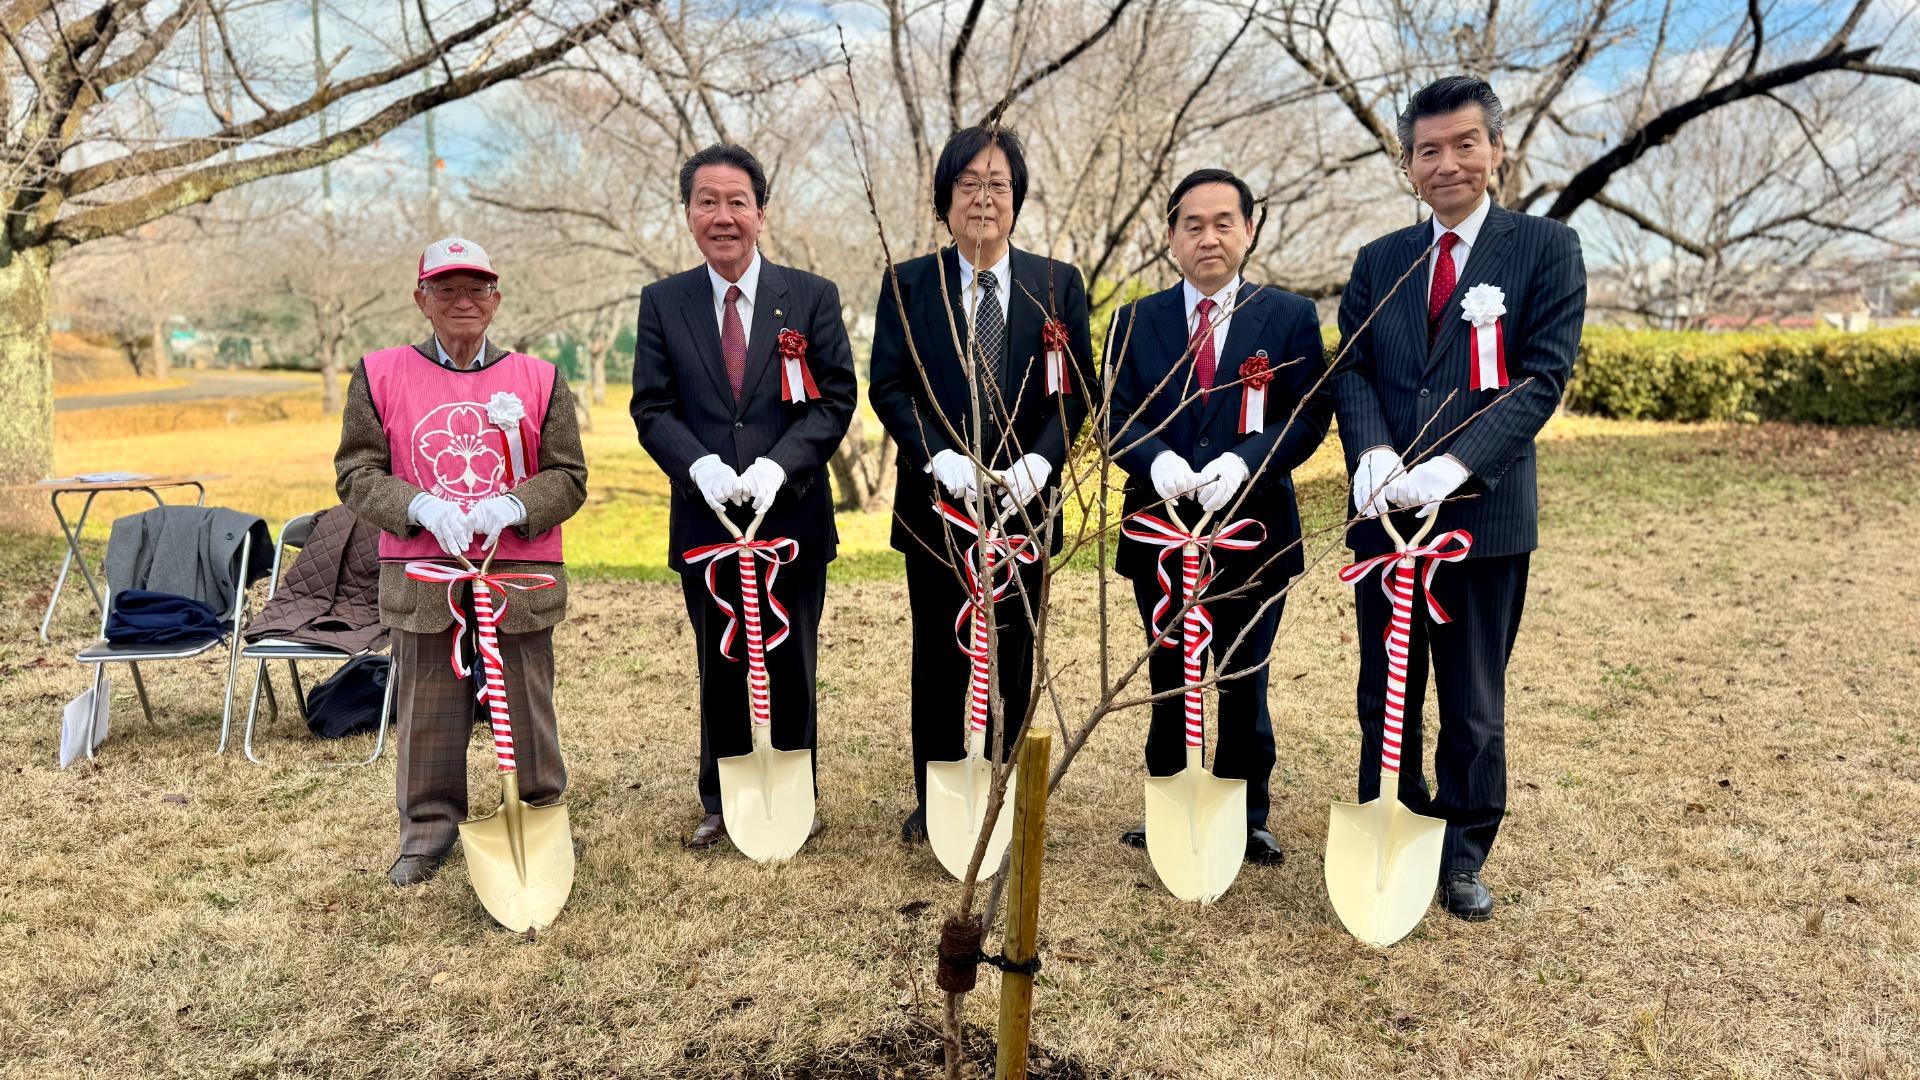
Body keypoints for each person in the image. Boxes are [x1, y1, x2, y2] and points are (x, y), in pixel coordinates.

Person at [1334, 75, 1586, 920]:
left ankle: (1465, 845)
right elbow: (1356, 369)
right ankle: (1392, 815)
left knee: (1474, 702)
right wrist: (1370, 452)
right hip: (1385, 518)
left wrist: (1454, 467)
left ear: (1496, 149)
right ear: (1408, 164)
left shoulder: (1546, 248)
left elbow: (1542, 377)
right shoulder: (1380, 262)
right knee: (1386, 687)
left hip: (1482, 516)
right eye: (1428, 150)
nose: (1447, 164)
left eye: (1464, 144)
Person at [335, 236, 589, 887]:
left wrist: (516, 504)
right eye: (446, 289)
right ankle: (428, 829)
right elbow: (356, 473)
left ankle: (538, 815)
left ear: (496, 299)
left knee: (527, 702)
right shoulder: (378, 374)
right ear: (421, 298)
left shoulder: (541, 378)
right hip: (425, 571)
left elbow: (569, 476)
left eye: (476, 289)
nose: (462, 301)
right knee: (428, 703)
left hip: (518, 571)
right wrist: (419, 505)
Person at [867, 125, 1093, 844]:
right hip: (936, 505)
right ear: (945, 200)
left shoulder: (1057, 284)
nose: (984, 199)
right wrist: (939, 457)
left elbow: (1077, 391)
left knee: (1013, 649)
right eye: (968, 185)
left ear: (1017, 198)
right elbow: (889, 386)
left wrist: (1039, 462)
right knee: (938, 650)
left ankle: (1000, 787)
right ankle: (936, 794)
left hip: (1024, 505)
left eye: (998, 184)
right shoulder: (908, 283)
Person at [629, 144, 857, 851]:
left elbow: (836, 398)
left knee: (791, 658)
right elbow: (652, 407)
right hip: (706, 516)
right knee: (719, 658)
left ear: (760, 212)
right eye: (707, 202)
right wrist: (697, 467)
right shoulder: (665, 302)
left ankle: (794, 792)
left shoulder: (811, 296)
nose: (722, 216)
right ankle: (721, 798)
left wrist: (775, 468)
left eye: (736, 202)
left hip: (788, 514)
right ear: (688, 213)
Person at [1105, 168, 1332, 865]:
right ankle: (1171, 797)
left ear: (1249, 228)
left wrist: (1249, 459)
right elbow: (1117, 416)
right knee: (1170, 669)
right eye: (1193, 225)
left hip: (1253, 529)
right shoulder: (1135, 320)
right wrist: (1155, 462)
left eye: (1223, 222)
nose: (1209, 237)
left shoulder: (1287, 316)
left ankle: (1247, 810)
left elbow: (1309, 411)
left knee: (1243, 674)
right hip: (1160, 529)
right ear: (1171, 236)